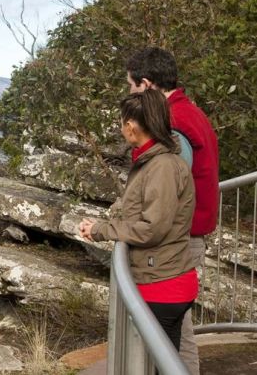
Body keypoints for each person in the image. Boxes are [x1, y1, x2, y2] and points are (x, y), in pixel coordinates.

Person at [79, 90, 197, 352]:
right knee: (163, 361)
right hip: (164, 280)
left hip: (162, 283)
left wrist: (101, 230)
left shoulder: (162, 167)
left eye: (122, 123)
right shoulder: (155, 161)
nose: (122, 129)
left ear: (131, 127)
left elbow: (152, 228)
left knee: (156, 363)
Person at [126, 47, 219, 375]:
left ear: (147, 84)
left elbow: (167, 189)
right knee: (179, 329)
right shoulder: (190, 112)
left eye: (133, 87)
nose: (131, 95)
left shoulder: (172, 121)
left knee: (171, 332)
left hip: (177, 241)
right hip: (191, 233)